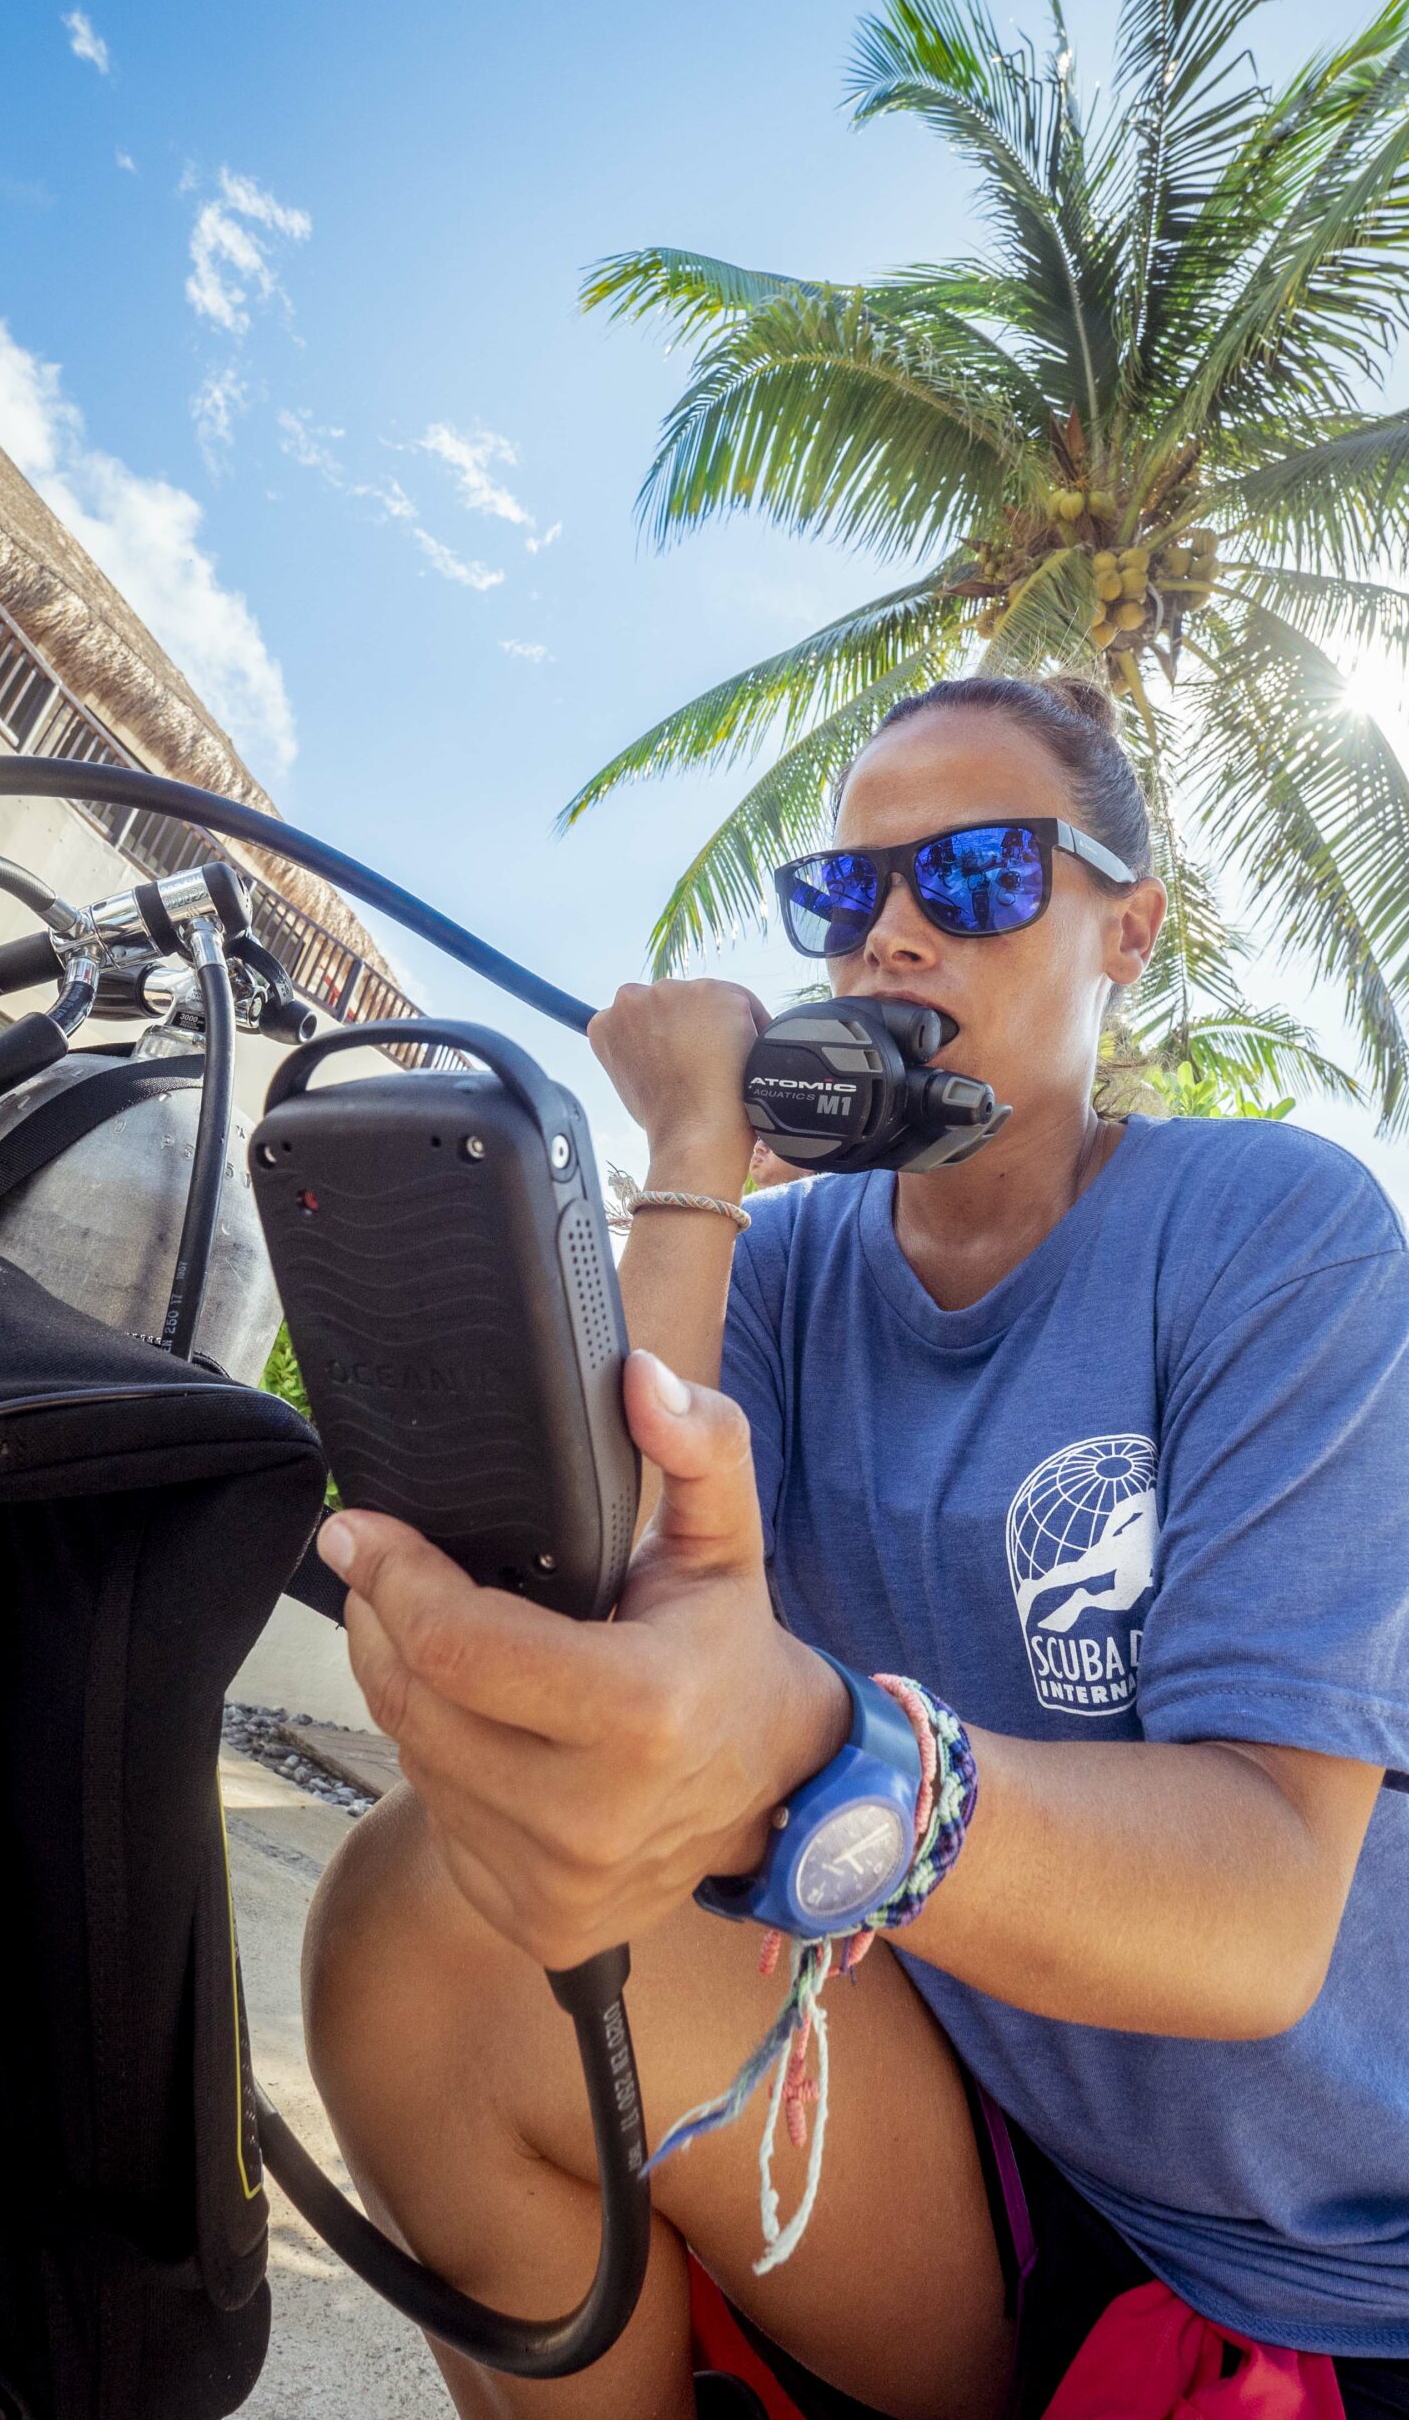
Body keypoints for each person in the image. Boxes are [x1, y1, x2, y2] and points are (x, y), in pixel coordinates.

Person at [301, 674, 1409, 2420]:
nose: (894, 935)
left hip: (1300, 2259)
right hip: (960, 2141)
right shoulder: (791, 1266)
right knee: (415, 1920)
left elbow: (1267, 1912)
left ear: (1131, 928)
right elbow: (600, 1621)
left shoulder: (1273, 1234)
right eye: (847, 894)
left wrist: (825, 1759)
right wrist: (695, 1151)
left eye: (974, 878)